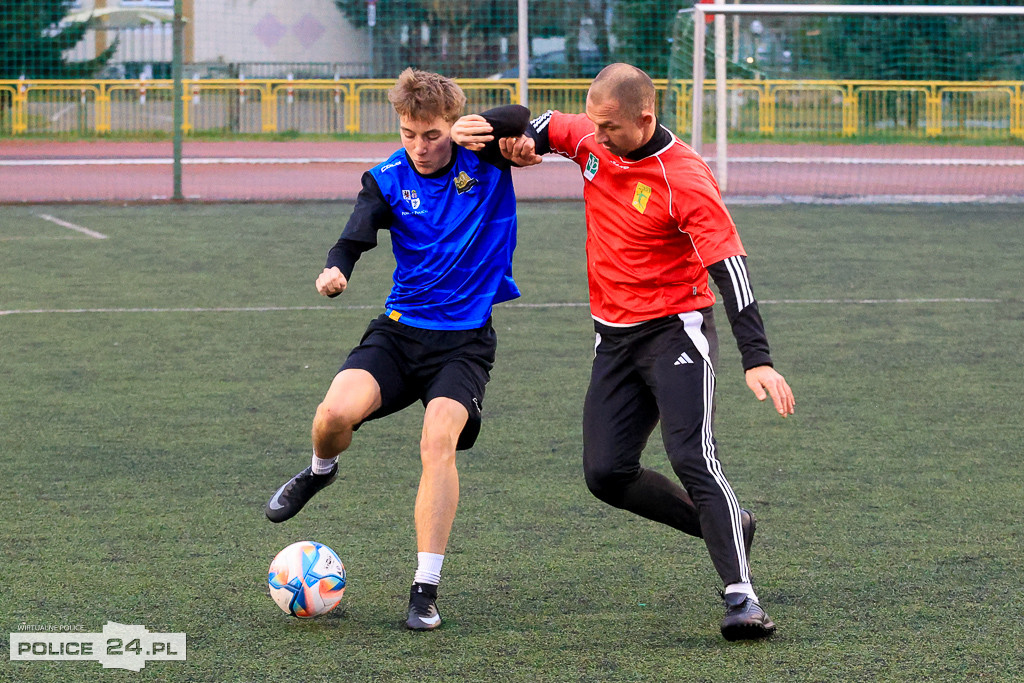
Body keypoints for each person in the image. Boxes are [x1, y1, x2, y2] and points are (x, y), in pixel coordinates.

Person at [452, 63, 795, 641]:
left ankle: (742, 597)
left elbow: (730, 269)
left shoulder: (684, 177)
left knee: (691, 455)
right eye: (593, 123)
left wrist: (757, 357)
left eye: (609, 127)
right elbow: (533, 122)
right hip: (612, 339)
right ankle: (731, 525)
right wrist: (495, 133)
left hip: (674, 333)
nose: (597, 136)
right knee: (606, 472)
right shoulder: (590, 134)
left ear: (645, 118)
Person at [265, 68, 530, 631]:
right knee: (333, 413)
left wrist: (478, 130)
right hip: (398, 333)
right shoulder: (386, 177)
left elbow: (521, 117)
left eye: (432, 134)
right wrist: (335, 268)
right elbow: (352, 236)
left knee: (438, 441)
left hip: (463, 346)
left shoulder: (485, 158)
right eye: (409, 133)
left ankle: (424, 589)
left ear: (454, 126)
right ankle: (320, 470)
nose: (420, 146)